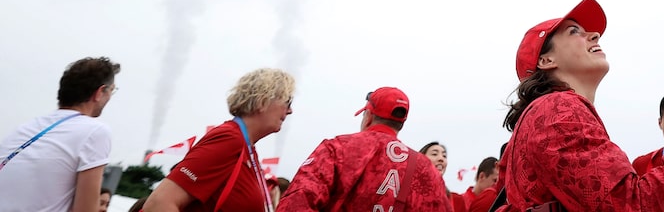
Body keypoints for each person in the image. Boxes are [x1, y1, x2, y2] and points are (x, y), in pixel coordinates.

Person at [497, 0, 664, 212]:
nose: (594, 35)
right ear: (546, 59)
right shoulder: (556, 109)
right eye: (574, 31)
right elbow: (632, 205)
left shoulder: (551, 114)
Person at [143, 68, 295, 212]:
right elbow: (159, 203)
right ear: (263, 100)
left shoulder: (246, 148)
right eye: (287, 102)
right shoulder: (229, 139)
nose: (290, 111)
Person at [279, 87, 450, 212]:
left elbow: (295, 203)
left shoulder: (336, 149)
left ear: (368, 116)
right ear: (401, 124)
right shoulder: (426, 168)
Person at [0, 57, 120, 212]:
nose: (110, 97)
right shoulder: (94, 131)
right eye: (111, 90)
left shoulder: (22, 129)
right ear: (99, 92)